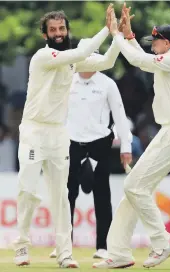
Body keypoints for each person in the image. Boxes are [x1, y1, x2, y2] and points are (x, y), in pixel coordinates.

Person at [93, 6, 170, 269]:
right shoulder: (169, 59)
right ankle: (119, 254)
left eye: (154, 42)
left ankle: (162, 242)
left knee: (135, 187)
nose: (152, 46)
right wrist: (129, 35)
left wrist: (115, 35)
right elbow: (142, 56)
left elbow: (138, 61)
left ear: (166, 43)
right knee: (133, 189)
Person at [13, 5, 122, 268]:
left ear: (67, 30)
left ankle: (64, 253)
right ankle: (21, 246)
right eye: (53, 30)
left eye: (62, 29)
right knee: (27, 189)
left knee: (61, 194)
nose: (59, 33)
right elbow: (84, 51)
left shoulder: (73, 60)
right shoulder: (43, 56)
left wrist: (119, 36)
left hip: (58, 133)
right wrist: (107, 28)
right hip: (34, 130)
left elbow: (106, 61)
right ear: (45, 35)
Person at [49, 45, 132, 259]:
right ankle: (64, 245)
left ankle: (104, 247)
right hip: (71, 143)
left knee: (102, 195)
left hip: (99, 144)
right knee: (67, 195)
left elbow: (120, 117)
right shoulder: (67, 81)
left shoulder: (107, 84)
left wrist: (126, 147)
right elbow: (57, 114)